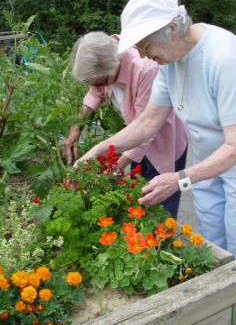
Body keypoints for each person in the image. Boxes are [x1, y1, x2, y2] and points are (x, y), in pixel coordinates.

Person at [74, 0, 236, 318]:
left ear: (171, 30)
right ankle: (219, 311)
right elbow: (146, 124)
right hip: (208, 155)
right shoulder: (169, 63)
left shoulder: (221, 55)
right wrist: (99, 151)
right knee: (211, 238)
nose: (142, 54)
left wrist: (180, 179)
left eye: (145, 46)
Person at [62, 31, 188, 219]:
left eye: (101, 82)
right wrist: (75, 128)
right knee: (139, 196)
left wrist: (112, 168)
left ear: (112, 67)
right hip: (135, 137)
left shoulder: (145, 69)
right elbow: (95, 92)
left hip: (163, 141)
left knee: (159, 204)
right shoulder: (106, 56)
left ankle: (165, 240)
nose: (99, 87)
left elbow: (146, 128)